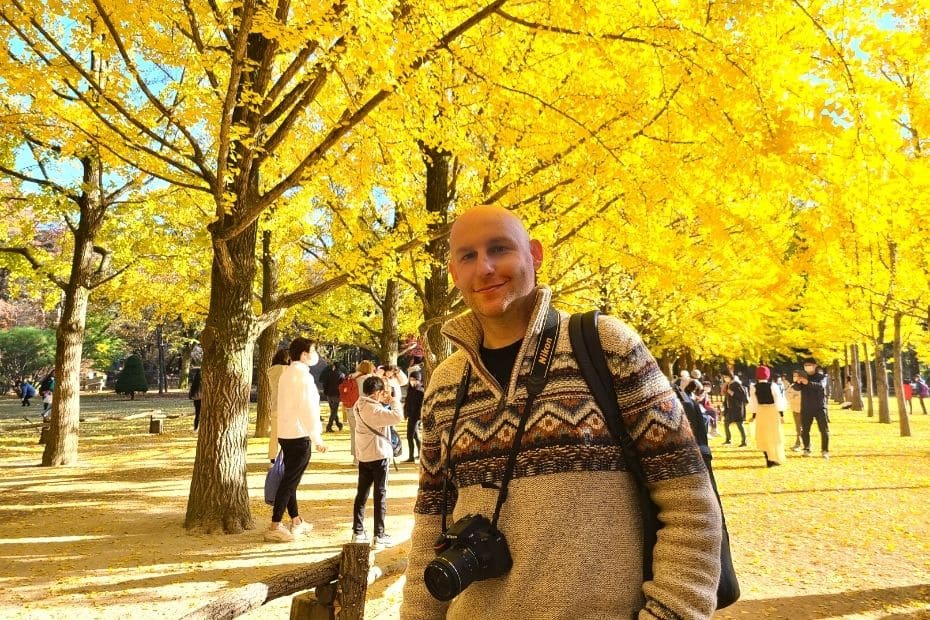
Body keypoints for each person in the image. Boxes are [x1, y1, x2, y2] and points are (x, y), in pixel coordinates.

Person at [400, 205, 721, 619]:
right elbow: (430, 530)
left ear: (534, 254)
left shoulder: (607, 346)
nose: (485, 267)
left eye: (500, 248)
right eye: (468, 256)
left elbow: (690, 507)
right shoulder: (445, 383)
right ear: (454, 273)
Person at [265, 337, 327, 543]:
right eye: (313, 350)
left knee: (290, 480)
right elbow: (307, 408)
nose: (315, 354)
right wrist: (316, 437)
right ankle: (275, 524)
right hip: (299, 434)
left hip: (286, 433)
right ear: (304, 354)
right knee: (290, 481)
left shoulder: (287, 373)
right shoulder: (302, 377)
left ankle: (297, 520)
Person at [351, 375, 404, 547]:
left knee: (362, 494)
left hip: (364, 456)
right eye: (382, 392)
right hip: (379, 456)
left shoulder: (358, 405)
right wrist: (394, 400)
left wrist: (384, 400)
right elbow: (397, 416)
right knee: (380, 495)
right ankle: (379, 535)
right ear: (377, 393)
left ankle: (357, 532)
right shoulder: (375, 410)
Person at [748, 366, 786, 467]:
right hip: (772, 411)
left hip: (761, 412)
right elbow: (778, 400)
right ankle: (774, 458)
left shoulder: (753, 387)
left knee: (763, 435)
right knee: (774, 435)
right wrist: (781, 415)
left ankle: (768, 459)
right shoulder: (773, 386)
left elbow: (754, 403)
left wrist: (754, 416)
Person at [794, 358, 829, 458]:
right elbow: (796, 388)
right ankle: (807, 448)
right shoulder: (803, 376)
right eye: (805, 365)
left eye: (809, 365)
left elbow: (820, 386)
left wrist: (807, 383)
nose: (807, 367)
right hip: (806, 407)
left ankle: (825, 450)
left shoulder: (822, 377)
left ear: (814, 366)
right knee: (805, 430)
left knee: (824, 430)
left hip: (819, 407)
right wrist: (797, 381)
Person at [267, 349, 290, 462]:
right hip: (286, 406)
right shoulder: (286, 369)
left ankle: (272, 456)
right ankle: (286, 456)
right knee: (288, 434)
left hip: (275, 404)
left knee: (274, 434)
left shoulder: (271, 371)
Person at [722, 373, 748, 447]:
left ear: (730, 377)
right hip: (730, 408)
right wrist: (724, 405)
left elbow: (742, 395)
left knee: (740, 425)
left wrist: (732, 393)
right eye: (724, 377)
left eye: (726, 376)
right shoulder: (728, 384)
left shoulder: (736, 384)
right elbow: (727, 397)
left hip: (737, 408)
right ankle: (728, 440)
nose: (725, 378)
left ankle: (744, 441)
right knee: (726, 423)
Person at [403, 370, 424, 462]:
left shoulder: (420, 391)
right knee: (414, 436)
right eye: (411, 379)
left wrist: (419, 417)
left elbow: (421, 406)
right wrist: (405, 413)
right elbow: (407, 403)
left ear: (418, 380)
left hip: (416, 417)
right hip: (410, 416)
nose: (412, 381)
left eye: (414, 379)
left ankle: (412, 456)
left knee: (410, 436)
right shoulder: (410, 390)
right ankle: (418, 455)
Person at [321, 362, 344, 432]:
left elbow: (324, 384)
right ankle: (329, 426)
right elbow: (342, 385)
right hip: (336, 394)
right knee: (334, 411)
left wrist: (326, 391)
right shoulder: (341, 375)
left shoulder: (328, 373)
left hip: (329, 394)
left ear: (334, 366)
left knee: (333, 411)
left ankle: (338, 424)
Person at [786, 371, 804, 451]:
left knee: (802, 428)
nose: (795, 377)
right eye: (794, 376)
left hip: (804, 410)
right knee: (798, 428)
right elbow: (787, 396)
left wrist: (795, 397)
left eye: (796, 376)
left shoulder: (805, 386)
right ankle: (799, 443)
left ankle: (801, 444)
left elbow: (804, 397)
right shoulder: (792, 386)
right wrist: (794, 397)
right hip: (795, 409)